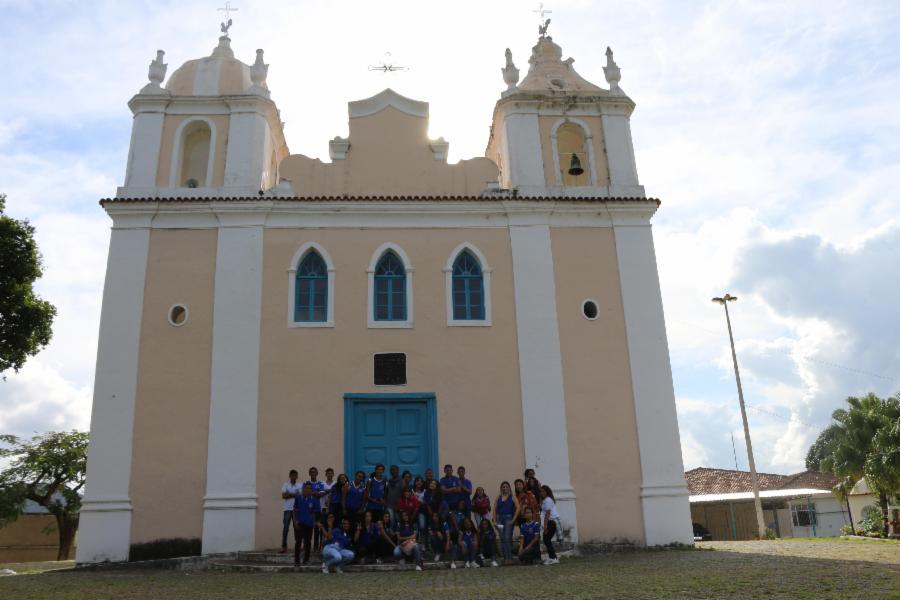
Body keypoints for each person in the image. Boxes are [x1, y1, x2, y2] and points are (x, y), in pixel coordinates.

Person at [494, 481, 519, 563]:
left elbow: (518, 508)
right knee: (503, 539)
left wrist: (513, 520)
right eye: (503, 487)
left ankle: (509, 558)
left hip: (508, 518)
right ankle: (505, 559)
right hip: (499, 519)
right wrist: (494, 521)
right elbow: (494, 509)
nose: (505, 488)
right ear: (501, 488)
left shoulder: (512, 497)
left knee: (507, 538)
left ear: (509, 488)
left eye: (506, 486)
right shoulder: (498, 497)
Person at [293, 482, 318, 565]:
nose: (308, 490)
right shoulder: (298, 498)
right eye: (306, 488)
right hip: (300, 523)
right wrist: (295, 521)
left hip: (309, 524)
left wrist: (313, 523)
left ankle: (306, 560)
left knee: (308, 543)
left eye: (310, 489)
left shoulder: (313, 499)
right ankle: (296, 561)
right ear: (303, 489)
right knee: (298, 542)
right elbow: (295, 510)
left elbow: (313, 513)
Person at [304, 467, 326, 551]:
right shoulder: (306, 483)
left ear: (317, 473)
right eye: (311, 472)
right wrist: (315, 492)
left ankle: (316, 547)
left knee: (317, 529)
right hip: (308, 510)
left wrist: (310, 492)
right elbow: (305, 493)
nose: (313, 473)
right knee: (308, 529)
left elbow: (321, 494)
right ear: (309, 474)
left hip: (318, 509)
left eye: (314, 472)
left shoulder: (320, 483)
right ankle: (307, 546)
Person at [280, 469, 302, 553]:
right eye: (292, 475)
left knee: (297, 528)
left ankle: (298, 546)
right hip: (287, 509)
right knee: (285, 528)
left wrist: (289, 494)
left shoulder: (299, 485)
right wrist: (294, 495)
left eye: (295, 475)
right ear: (289, 476)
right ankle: (284, 546)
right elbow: (283, 495)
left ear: (297, 476)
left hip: (296, 510)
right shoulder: (286, 484)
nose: (293, 477)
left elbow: (299, 496)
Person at [539, 485, 560, 565]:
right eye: (541, 491)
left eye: (543, 491)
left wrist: (545, 526)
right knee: (547, 540)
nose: (541, 493)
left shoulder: (548, 500)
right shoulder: (545, 500)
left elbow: (548, 513)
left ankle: (553, 558)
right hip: (549, 522)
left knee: (546, 540)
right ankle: (552, 557)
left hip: (550, 522)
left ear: (547, 492)